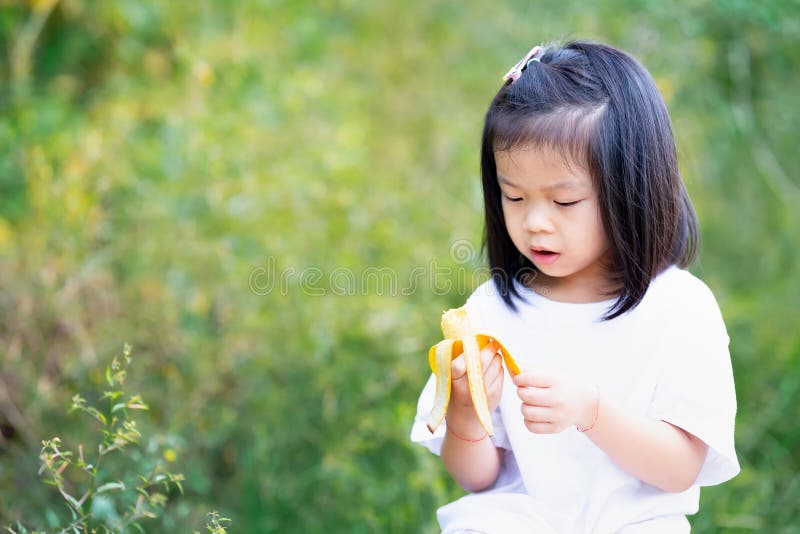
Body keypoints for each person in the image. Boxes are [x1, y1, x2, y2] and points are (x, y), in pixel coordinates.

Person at [410, 40, 740, 533]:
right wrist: (466, 410)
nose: (536, 222)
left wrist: (591, 412)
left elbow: (679, 470)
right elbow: (477, 479)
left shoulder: (680, 310)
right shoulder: (493, 311)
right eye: (514, 196)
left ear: (633, 188)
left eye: (564, 202)